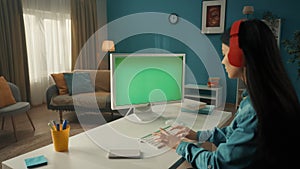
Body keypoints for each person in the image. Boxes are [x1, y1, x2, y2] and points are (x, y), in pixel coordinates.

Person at [154, 19, 300, 169]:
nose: (223, 61)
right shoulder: (267, 95)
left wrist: (178, 144)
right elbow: (234, 134)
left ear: (240, 56)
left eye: (225, 54)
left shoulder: (255, 110)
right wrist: (197, 135)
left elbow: (217, 164)